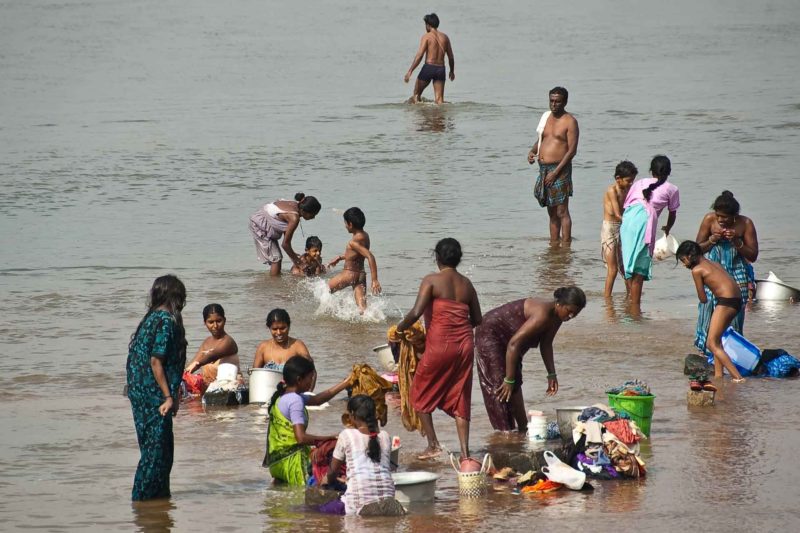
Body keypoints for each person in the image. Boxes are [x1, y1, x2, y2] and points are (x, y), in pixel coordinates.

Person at [395, 238, 482, 461]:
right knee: (461, 395)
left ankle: (433, 445)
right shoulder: (467, 284)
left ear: (437, 257)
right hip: (464, 346)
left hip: (440, 345)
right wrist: (458, 328)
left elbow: (415, 313)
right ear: (459, 258)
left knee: (419, 391)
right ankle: (464, 454)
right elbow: (477, 319)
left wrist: (399, 329)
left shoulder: (431, 280)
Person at [475, 287, 586, 432]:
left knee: (515, 381)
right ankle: (504, 433)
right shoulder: (543, 314)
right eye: (570, 311)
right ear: (559, 304)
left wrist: (551, 374)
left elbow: (546, 344)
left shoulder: (558, 317)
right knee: (500, 385)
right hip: (490, 333)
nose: (571, 316)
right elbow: (514, 344)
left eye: (575, 314)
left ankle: (522, 428)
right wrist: (508, 379)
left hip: (512, 342)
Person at [126, 275, 188, 500]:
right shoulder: (164, 321)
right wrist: (168, 396)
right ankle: (142, 500)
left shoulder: (150, 318)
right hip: (155, 397)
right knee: (156, 454)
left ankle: (157, 504)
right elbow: (156, 361)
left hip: (140, 395)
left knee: (157, 451)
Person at [263, 356, 350, 486]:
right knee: (331, 469)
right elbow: (301, 438)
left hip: (277, 464)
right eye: (310, 378)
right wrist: (330, 438)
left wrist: (345, 383)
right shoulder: (295, 401)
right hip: (293, 463)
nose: (311, 382)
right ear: (299, 380)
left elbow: (318, 400)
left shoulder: (283, 396)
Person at [694, 191, 759, 355]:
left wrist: (737, 241)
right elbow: (696, 250)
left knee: (736, 307)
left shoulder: (746, 223)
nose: (721, 220)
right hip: (713, 269)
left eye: (725, 217)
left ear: (735, 216)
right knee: (708, 305)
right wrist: (712, 240)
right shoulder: (709, 220)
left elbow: (753, 255)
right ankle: (707, 348)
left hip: (737, 269)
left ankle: (732, 348)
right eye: (718, 216)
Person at [676, 241, 746, 383]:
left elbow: (703, 298)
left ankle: (738, 377)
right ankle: (719, 376)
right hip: (737, 300)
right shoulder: (715, 263)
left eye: (684, 260)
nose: (684, 264)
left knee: (711, 344)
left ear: (691, 255)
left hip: (726, 302)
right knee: (717, 340)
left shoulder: (697, 270)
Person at [322, 395, 398, 515]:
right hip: (389, 502)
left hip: (358, 505)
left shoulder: (346, 435)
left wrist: (325, 480)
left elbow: (332, 473)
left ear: (352, 416)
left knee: (318, 510)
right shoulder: (385, 436)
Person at [620, 155, 680, 305]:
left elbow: (626, 204)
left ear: (651, 171)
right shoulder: (672, 189)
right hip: (644, 224)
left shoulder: (639, 182)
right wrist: (667, 228)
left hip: (628, 221)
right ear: (669, 171)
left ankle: (630, 302)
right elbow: (672, 213)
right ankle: (635, 309)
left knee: (629, 264)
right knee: (639, 271)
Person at [527, 87, 580, 243]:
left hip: (560, 169)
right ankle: (554, 244)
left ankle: (566, 245)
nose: (554, 104)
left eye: (557, 101)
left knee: (562, 211)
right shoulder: (545, 117)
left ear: (565, 102)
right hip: (544, 169)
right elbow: (542, 138)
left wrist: (556, 172)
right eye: (551, 101)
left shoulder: (570, 121)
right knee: (551, 211)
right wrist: (532, 151)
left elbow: (572, 151)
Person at [249, 193, 322, 276]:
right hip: (260, 225)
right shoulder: (294, 218)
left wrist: (293, 254)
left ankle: (275, 281)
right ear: (304, 211)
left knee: (276, 257)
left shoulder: (296, 205)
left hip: (261, 217)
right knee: (276, 259)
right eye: (312, 214)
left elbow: (285, 235)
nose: (313, 217)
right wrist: (299, 263)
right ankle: (274, 285)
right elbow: (285, 244)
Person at [327, 207, 381, 313]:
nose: (345, 226)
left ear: (350, 224)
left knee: (324, 290)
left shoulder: (353, 242)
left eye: (345, 223)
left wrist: (374, 280)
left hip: (349, 274)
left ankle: (330, 314)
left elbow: (370, 256)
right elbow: (356, 254)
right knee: (362, 309)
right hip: (360, 276)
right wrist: (340, 257)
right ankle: (364, 328)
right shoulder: (365, 235)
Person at [183, 304, 239, 392]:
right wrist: (184, 375)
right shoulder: (206, 342)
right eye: (211, 322)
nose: (215, 326)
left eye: (219, 321)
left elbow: (212, 356)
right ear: (205, 323)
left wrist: (198, 363)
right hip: (210, 389)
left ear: (224, 320)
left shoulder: (228, 341)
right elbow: (191, 366)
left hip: (230, 389)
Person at [602, 161, 638, 296]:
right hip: (609, 229)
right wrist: (632, 223)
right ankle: (607, 299)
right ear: (618, 179)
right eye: (628, 181)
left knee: (625, 266)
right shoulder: (612, 191)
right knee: (613, 269)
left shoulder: (629, 190)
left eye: (633, 181)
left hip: (623, 229)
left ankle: (630, 295)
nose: (631, 184)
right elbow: (617, 214)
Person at [403, 13, 455, 104]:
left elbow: (419, 55)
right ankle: (438, 117)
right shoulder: (445, 37)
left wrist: (410, 71)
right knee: (439, 101)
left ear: (428, 25)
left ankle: (420, 115)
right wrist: (452, 71)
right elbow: (451, 57)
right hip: (441, 69)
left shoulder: (426, 36)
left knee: (416, 95)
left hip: (429, 68)